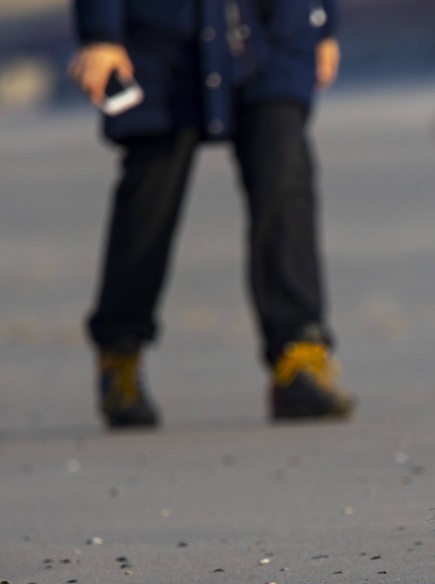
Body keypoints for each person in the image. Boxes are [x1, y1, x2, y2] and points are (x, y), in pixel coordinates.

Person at [69, 0, 355, 428]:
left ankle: (299, 356)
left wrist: (323, 20)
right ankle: (120, 354)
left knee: (285, 182)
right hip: (162, 42)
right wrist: (101, 34)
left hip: (273, 32)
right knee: (149, 199)